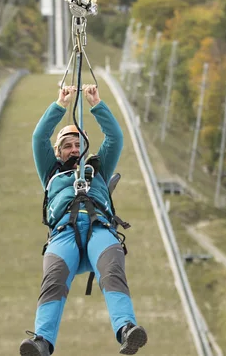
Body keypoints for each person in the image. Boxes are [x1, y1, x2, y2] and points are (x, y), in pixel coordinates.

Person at [19, 84, 148, 356]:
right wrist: (60, 106)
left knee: (112, 272)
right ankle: (42, 341)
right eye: (67, 146)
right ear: (58, 152)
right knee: (53, 282)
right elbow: (39, 137)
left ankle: (126, 329)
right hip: (64, 233)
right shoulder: (51, 172)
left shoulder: (98, 168)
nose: (74, 149)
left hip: (98, 229)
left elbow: (115, 137)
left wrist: (96, 104)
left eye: (78, 144)